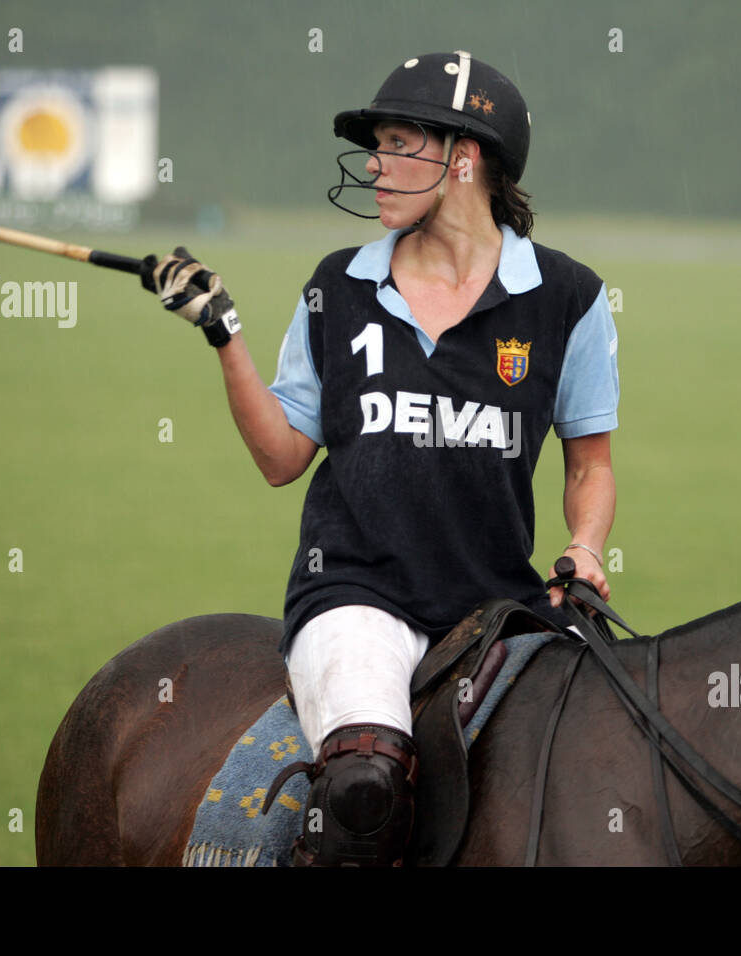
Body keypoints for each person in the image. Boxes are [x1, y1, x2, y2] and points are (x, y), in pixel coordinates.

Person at [141, 51, 619, 866]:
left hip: (497, 603)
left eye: (398, 142)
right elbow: (282, 458)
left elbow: (589, 465)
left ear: (463, 159)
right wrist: (224, 334)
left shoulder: (567, 298)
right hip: (355, 591)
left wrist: (584, 548)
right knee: (365, 786)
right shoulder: (340, 285)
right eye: (378, 144)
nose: (374, 164)